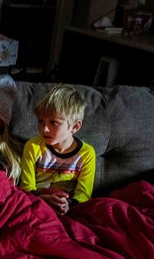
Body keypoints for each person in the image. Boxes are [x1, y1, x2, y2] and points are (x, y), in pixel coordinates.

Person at [19, 84, 97, 215]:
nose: (44, 129)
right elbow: (26, 187)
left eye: (54, 123)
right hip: (38, 203)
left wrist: (68, 204)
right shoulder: (33, 147)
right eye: (41, 122)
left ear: (75, 126)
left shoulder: (86, 153)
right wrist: (43, 199)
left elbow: (83, 194)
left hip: (68, 208)